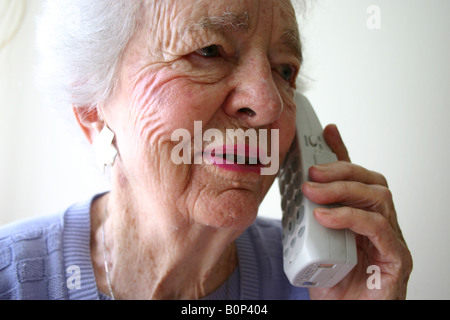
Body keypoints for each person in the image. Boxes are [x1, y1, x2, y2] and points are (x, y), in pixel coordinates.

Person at [0, 0, 412, 300]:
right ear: (93, 109)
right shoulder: (13, 278)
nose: (268, 103)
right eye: (209, 50)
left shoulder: (323, 284)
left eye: (284, 70)